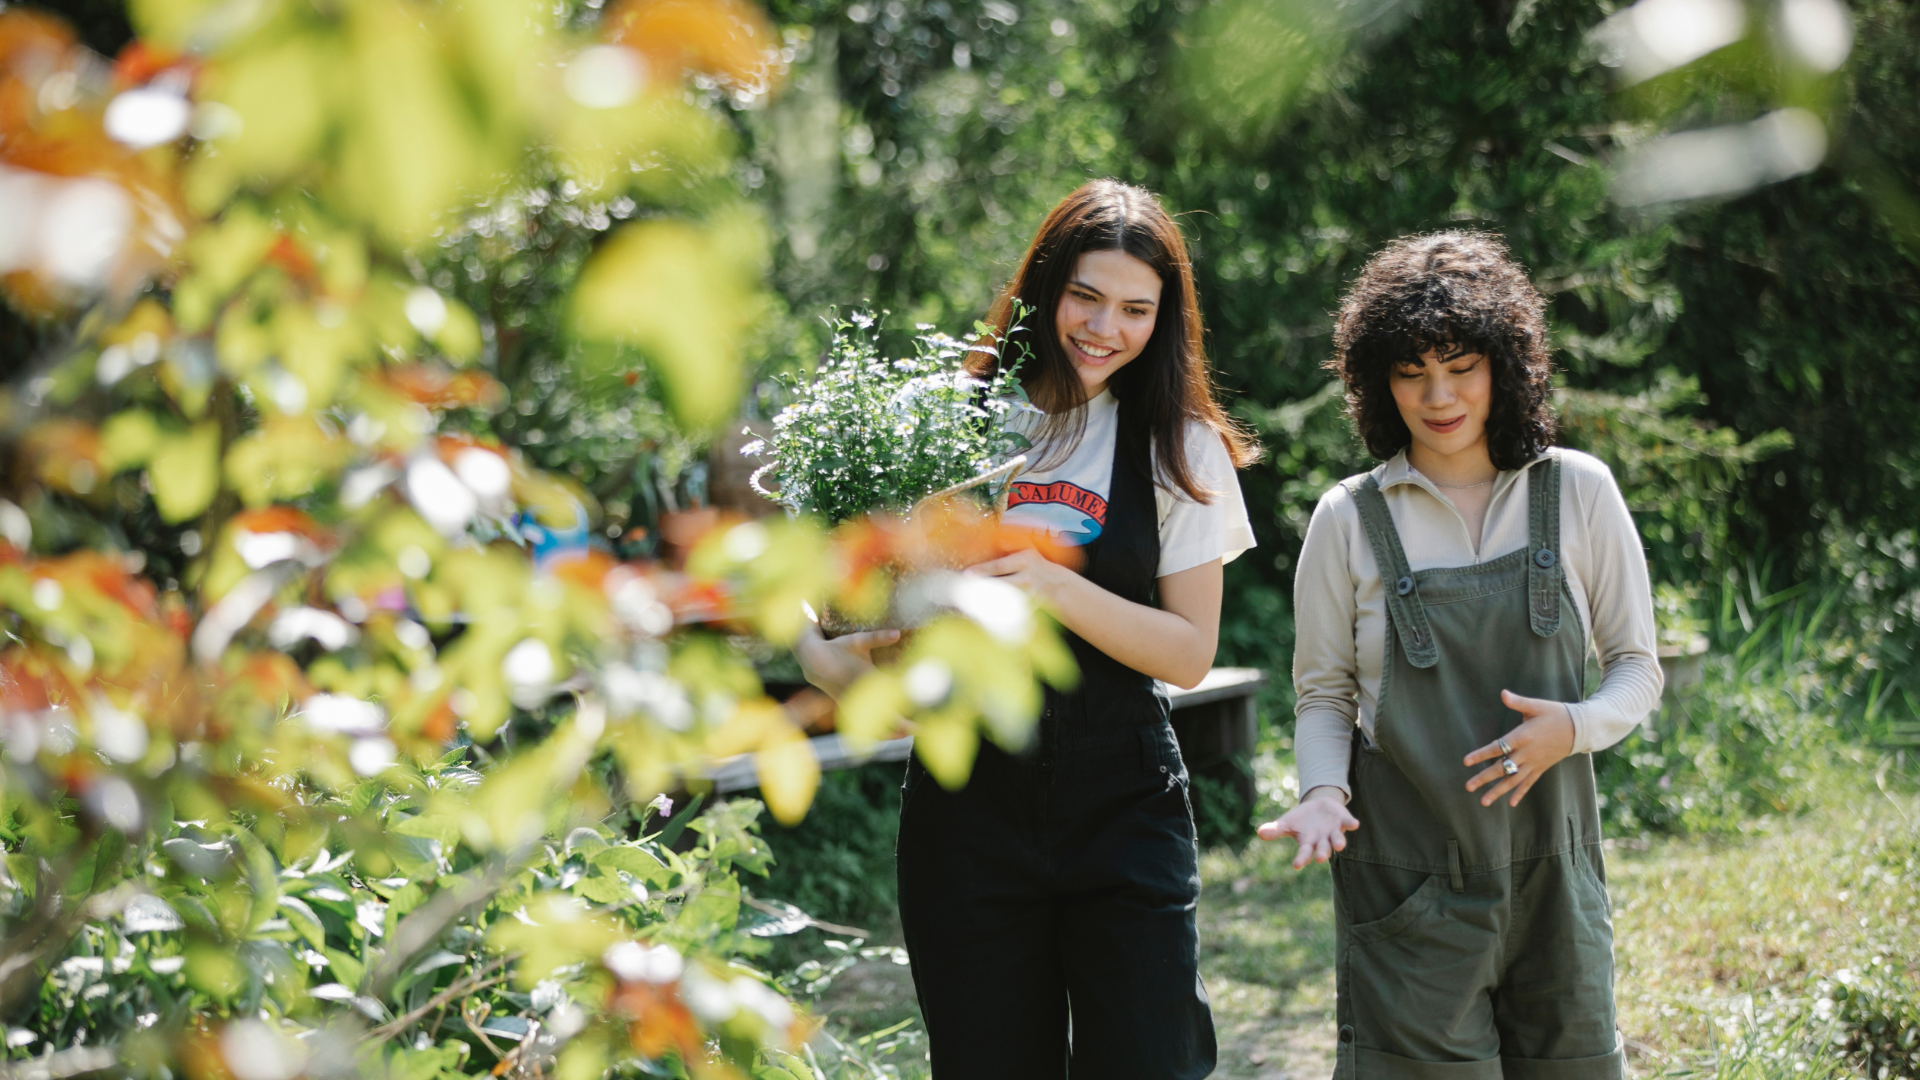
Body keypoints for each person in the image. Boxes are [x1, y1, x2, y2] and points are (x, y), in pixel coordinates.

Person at [795, 179, 1259, 1078]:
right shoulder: (943, 428)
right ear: (1044, 288)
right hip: (966, 807)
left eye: (1136, 308)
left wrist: (1053, 586)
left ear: (1164, 320)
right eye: (1086, 296)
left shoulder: (1180, 446)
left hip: (1122, 798)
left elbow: (1188, 653)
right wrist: (824, 660)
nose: (1103, 327)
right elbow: (839, 614)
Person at [1258, 232, 1664, 1079]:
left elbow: (1637, 667)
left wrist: (1576, 728)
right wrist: (1323, 793)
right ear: (1378, 382)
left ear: (1505, 363)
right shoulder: (1347, 518)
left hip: (1556, 879)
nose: (1438, 395)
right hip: (1410, 892)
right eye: (1411, 372)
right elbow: (1325, 695)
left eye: (1461, 364)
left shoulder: (1579, 490)